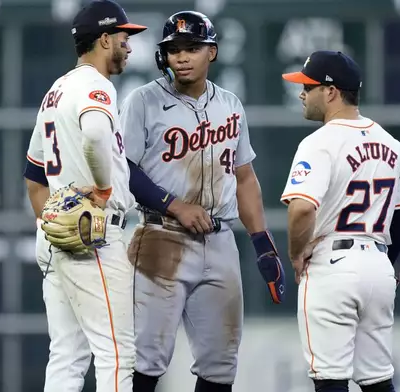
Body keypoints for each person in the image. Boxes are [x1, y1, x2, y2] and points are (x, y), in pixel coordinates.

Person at [119, 11, 286, 392]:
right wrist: (175, 205)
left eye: (192, 48)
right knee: (146, 361)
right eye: (173, 49)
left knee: (221, 365)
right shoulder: (142, 102)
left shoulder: (230, 104)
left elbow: (245, 178)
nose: (181, 56)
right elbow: (122, 170)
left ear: (211, 52)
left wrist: (262, 244)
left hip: (221, 238)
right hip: (162, 238)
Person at [22, 1, 147, 391]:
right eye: (124, 38)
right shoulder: (96, 85)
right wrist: (105, 190)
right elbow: (94, 134)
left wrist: (49, 228)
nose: (128, 46)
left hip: (61, 238)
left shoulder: (55, 92)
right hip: (93, 238)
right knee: (117, 354)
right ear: (104, 39)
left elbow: (33, 177)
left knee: (66, 357)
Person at [280, 50, 400, 392]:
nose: (301, 94)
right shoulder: (392, 145)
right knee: (378, 379)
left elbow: (301, 209)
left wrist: (296, 253)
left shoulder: (318, 143)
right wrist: (387, 260)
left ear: (330, 92)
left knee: (330, 380)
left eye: (307, 87)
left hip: (333, 265)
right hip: (378, 267)